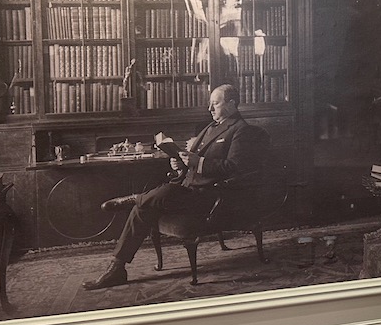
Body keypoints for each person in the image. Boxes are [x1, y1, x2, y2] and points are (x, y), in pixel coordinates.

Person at [82, 83, 269, 290]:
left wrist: (197, 162)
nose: (210, 108)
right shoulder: (210, 127)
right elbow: (194, 163)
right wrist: (180, 164)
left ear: (232, 104)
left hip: (213, 196)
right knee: (143, 208)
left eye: (215, 103)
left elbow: (235, 167)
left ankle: (135, 197)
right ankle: (117, 268)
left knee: (165, 192)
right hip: (191, 190)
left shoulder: (242, 131)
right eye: (210, 104)